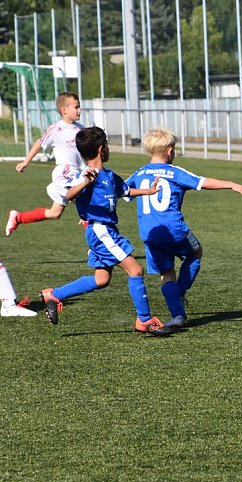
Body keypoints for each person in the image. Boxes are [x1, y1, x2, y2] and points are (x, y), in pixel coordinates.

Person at [39, 126, 169, 335]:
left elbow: (125, 191)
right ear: (101, 149)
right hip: (100, 230)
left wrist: (149, 191)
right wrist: (85, 182)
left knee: (101, 279)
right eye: (107, 144)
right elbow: (69, 195)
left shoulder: (109, 175)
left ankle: (53, 294)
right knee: (135, 270)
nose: (108, 148)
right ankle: (144, 320)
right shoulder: (86, 175)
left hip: (107, 229)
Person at [125, 127, 242, 328]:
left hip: (150, 233)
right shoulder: (174, 172)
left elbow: (123, 192)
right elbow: (203, 182)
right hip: (175, 229)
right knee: (196, 252)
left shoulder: (139, 173)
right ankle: (179, 296)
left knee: (166, 272)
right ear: (169, 151)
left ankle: (177, 315)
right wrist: (231, 184)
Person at [7, 92, 86, 237]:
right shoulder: (56, 129)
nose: (79, 110)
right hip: (65, 172)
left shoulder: (81, 129)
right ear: (64, 110)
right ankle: (96, 248)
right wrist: (26, 161)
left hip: (78, 172)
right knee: (87, 204)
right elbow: (39, 143)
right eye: (76, 107)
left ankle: (18, 217)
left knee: (55, 213)